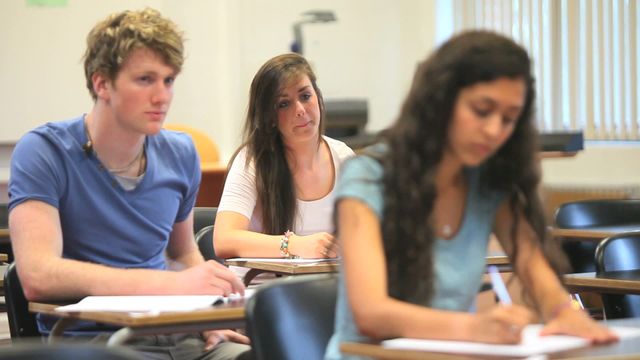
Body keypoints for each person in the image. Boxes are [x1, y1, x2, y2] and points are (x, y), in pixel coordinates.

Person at [324, 30, 618, 359]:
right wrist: (474, 328)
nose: (494, 130)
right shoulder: (368, 177)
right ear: (441, 101)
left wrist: (564, 312)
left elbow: (534, 267)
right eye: (481, 110)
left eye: (509, 119)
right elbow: (371, 314)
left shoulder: (488, 182)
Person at [9, 8, 251, 360]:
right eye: (145, 79)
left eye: (168, 80)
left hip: (180, 335)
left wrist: (208, 314)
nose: (162, 96)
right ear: (101, 83)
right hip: (99, 345)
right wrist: (173, 286)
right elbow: (38, 274)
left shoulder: (181, 152)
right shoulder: (44, 151)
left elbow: (181, 253)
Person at [214, 53, 354, 260]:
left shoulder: (343, 157)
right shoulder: (252, 161)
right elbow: (224, 240)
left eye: (305, 96)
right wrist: (294, 244)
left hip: (324, 287)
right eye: (284, 104)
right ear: (269, 117)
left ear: (318, 97)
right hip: (261, 287)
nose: (300, 110)